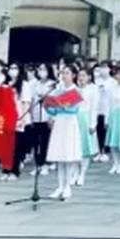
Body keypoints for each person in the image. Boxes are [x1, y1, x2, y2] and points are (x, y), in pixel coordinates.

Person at [44, 67, 90, 199]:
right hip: (60, 122)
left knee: (68, 155)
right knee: (59, 156)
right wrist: (48, 107)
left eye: (67, 73)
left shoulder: (77, 91)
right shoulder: (57, 91)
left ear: (73, 75)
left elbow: (73, 110)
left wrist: (61, 105)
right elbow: (54, 110)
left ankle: (67, 186)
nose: (64, 76)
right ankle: (60, 186)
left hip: (70, 123)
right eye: (62, 73)